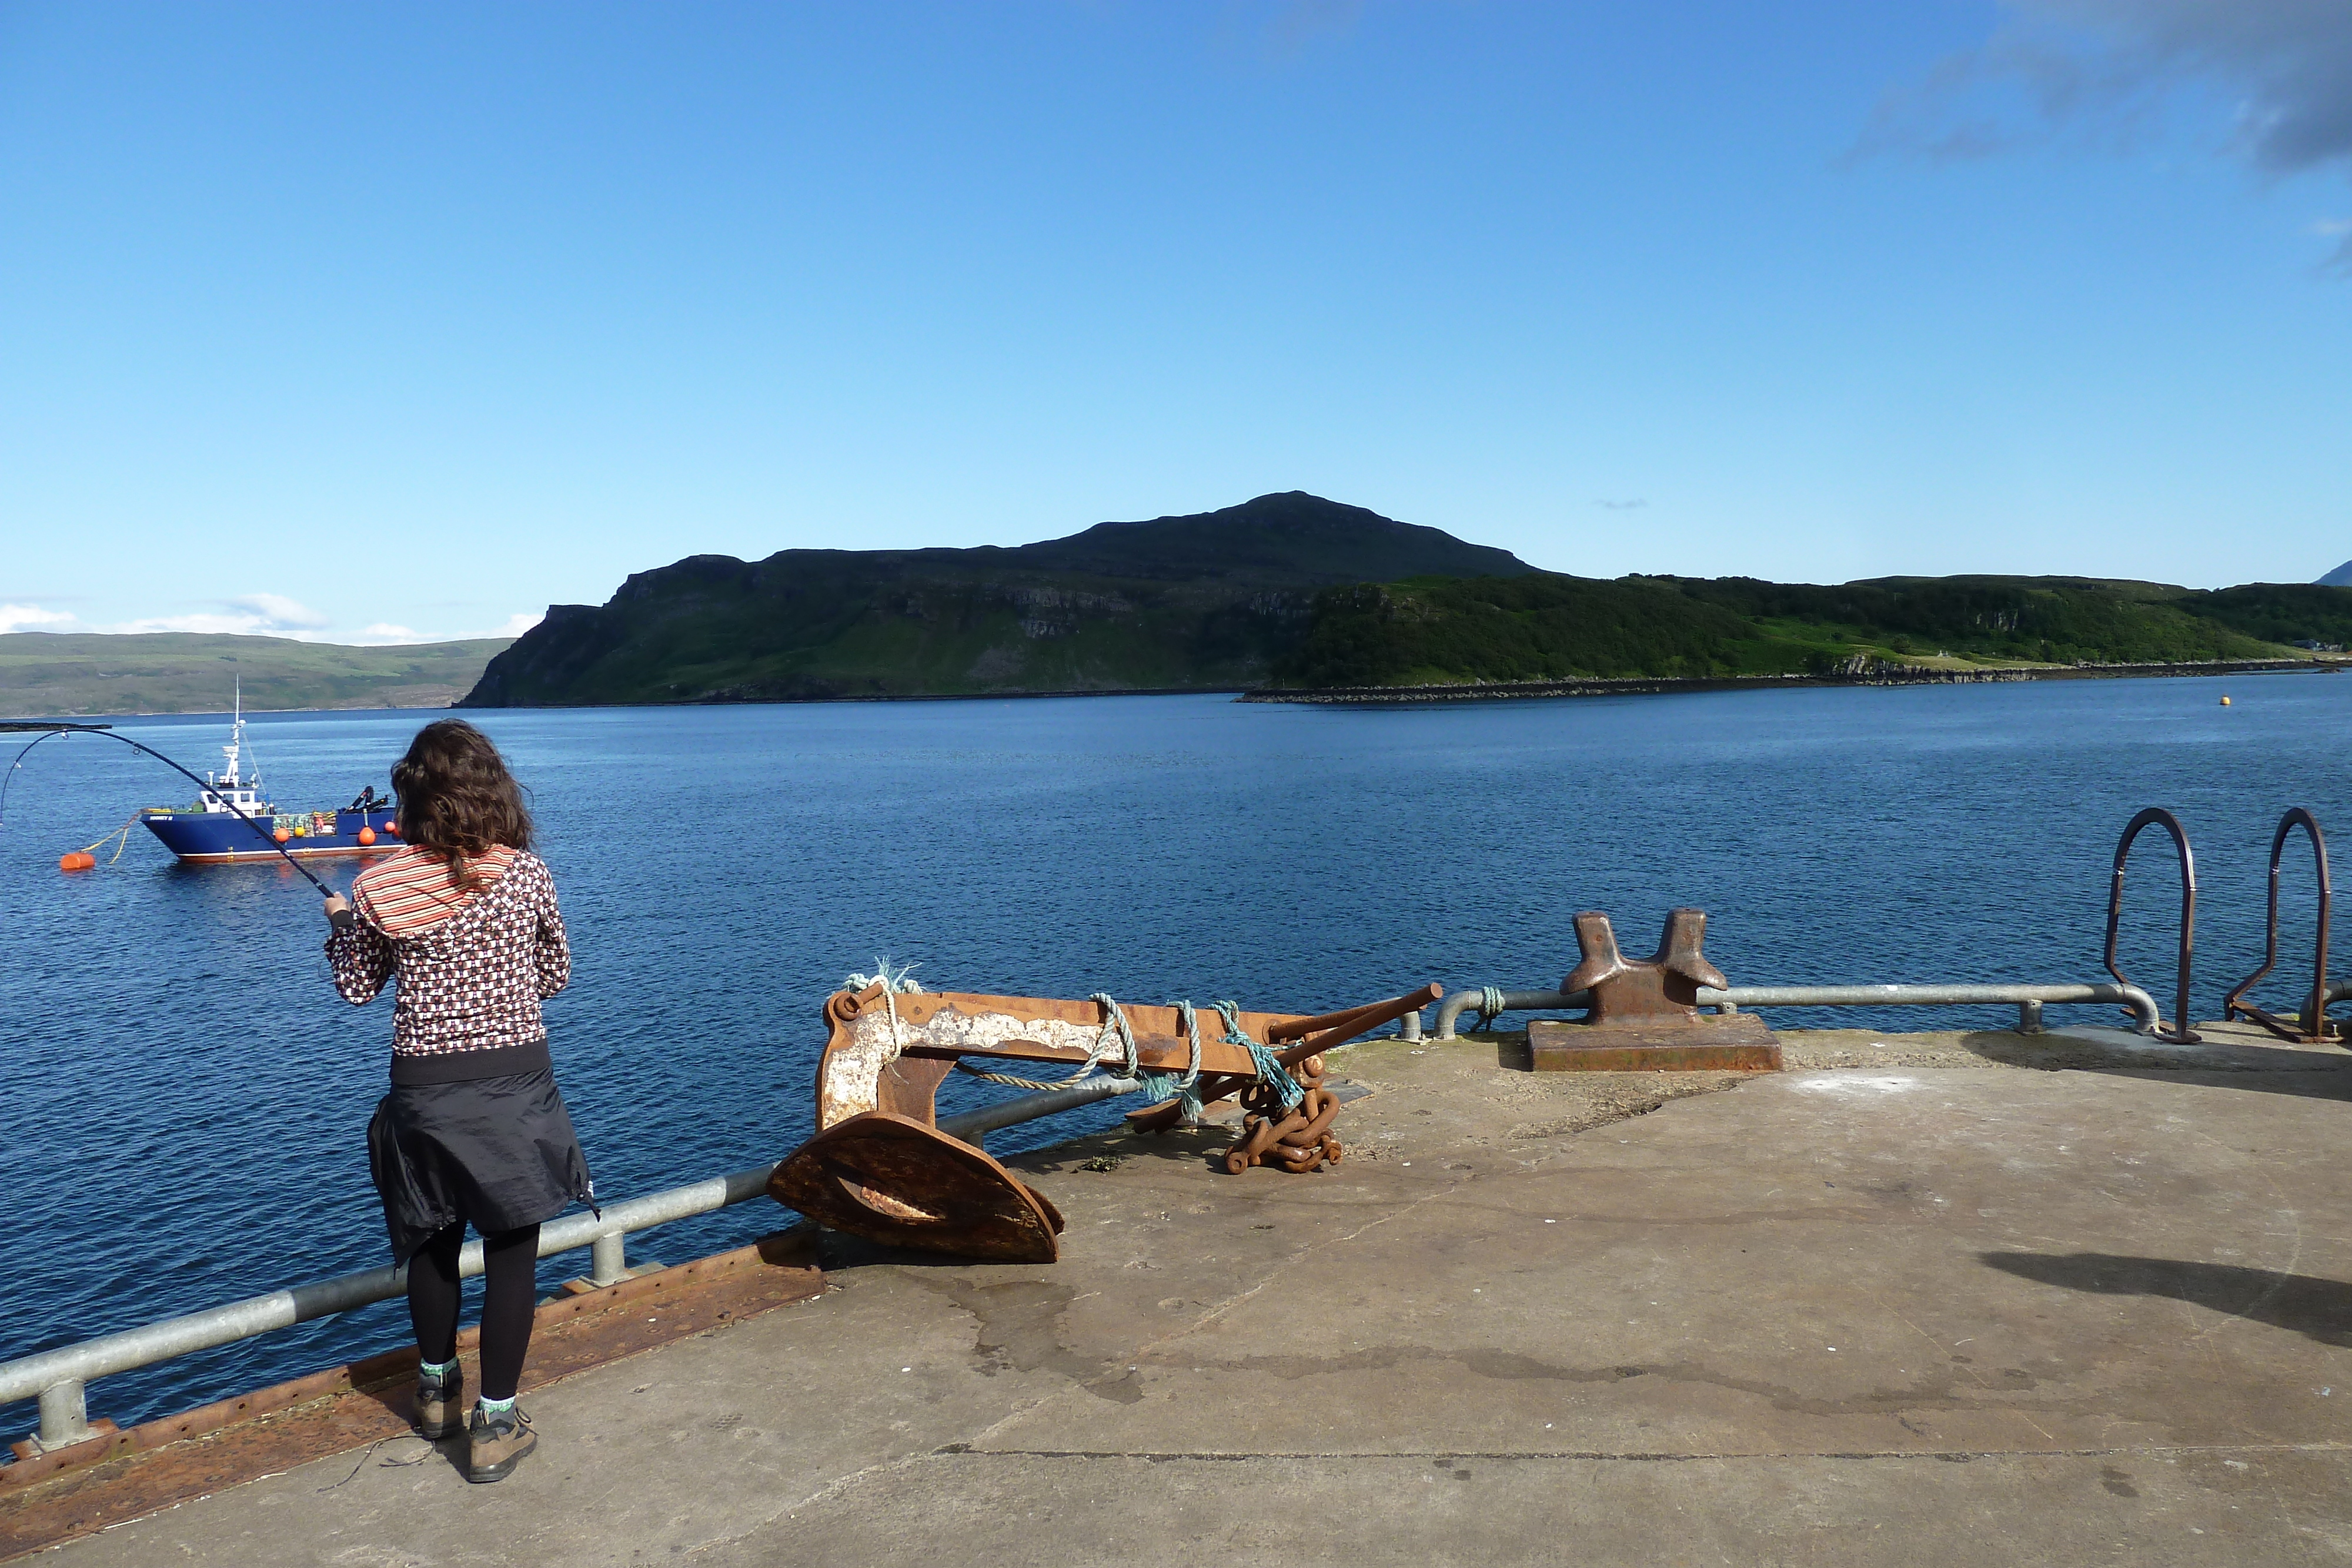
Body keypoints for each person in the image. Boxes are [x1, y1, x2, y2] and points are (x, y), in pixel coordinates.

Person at [322, 719, 591, 1484]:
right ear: (493, 792)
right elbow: (554, 976)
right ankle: (497, 1425)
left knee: (432, 1243)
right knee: (512, 1252)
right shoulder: (528, 875)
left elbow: (354, 987)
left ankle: (437, 1394)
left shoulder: (378, 885)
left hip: (425, 1092)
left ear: (412, 796)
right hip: (516, 1086)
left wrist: (343, 925)